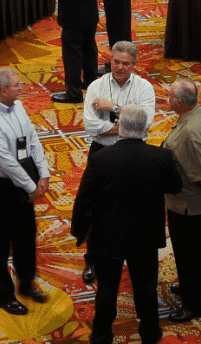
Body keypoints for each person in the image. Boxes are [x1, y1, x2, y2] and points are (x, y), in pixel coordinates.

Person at [71, 106, 182, 344]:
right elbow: (175, 187)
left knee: (108, 288)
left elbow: (84, 198)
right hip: (145, 236)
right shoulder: (161, 157)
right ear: (145, 129)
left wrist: (77, 230)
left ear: (119, 127)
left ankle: (101, 336)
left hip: (107, 236)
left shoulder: (100, 159)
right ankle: (150, 333)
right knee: (145, 286)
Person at [0, 67, 51, 315]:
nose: (22, 88)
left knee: (26, 234)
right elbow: (4, 160)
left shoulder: (17, 106)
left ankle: (26, 283)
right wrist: (32, 188)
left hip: (22, 178)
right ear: (4, 90)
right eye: (17, 85)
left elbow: (31, 139)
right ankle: (4, 294)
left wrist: (43, 173)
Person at [79, 40, 155, 286]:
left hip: (134, 154)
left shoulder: (144, 88)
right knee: (95, 207)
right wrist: (124, 127)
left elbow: (145, 123)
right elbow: (91, 126)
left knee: (133, 204)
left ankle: (131, 254)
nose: (119, 67)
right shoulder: (95, 86)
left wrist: (113, 108)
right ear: (109, 60)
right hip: (101, 153)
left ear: (134, 64)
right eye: (115, 62)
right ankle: (92, 259)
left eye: (125, 63)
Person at [161, 79, 201, 323]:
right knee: (188, 253)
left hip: (188, 205)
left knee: (190, 255)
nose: (167, 99)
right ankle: (188, 288)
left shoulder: (190, 134)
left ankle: (194, 304)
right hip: (185, 201)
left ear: (180, 102)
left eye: (170, 96)